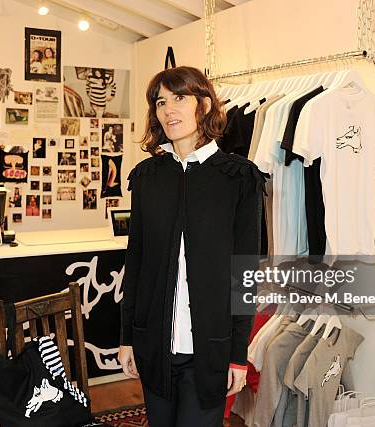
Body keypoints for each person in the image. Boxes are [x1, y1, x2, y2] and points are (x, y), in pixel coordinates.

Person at [118, 66, 268, 426]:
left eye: (179, 98)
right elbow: (135, 262)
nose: (169, 109)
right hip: (155, 344)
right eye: (160, 102)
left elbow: (244, 276)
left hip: (210, 350)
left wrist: (237, 354)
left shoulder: (239, 177)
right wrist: (127, 339)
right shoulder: (147, 177)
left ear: (203, 104)